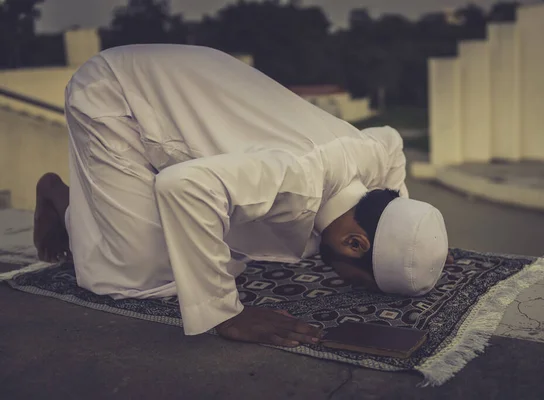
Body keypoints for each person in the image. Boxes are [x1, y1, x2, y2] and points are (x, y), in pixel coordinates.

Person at [33, 44, 451, 348]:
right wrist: (225, 312)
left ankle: (92, 207)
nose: (346, 283)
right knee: (137, 276)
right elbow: (182, 186)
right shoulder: (294, 181)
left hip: (183, 78)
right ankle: (60, 197)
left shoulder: (373, 160)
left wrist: (403, 220)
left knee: (214, 247)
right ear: (355, 243)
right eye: (356, 279)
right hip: (116, 90)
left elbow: (392, 142)